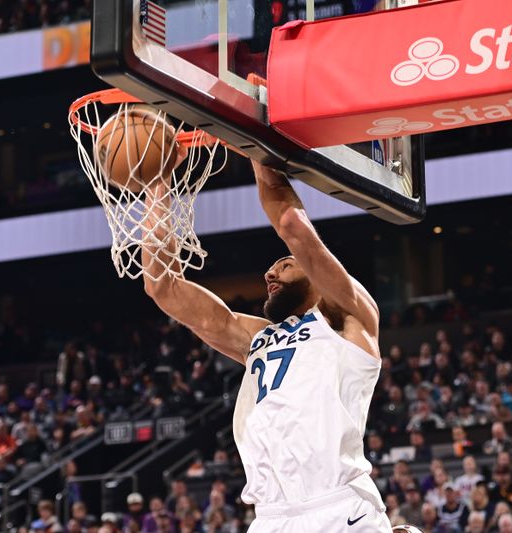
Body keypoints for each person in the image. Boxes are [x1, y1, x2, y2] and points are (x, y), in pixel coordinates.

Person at [141, 160, 391, 531]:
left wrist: (257, 150)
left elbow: (292, 226)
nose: (269, 273)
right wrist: (157, 187)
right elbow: (162, 287)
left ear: (317, 272)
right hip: (271, 517)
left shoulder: (349, 318)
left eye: (285, 265)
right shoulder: (255, 338)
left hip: (339, 506)